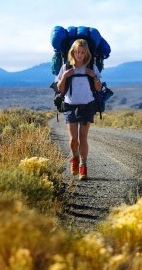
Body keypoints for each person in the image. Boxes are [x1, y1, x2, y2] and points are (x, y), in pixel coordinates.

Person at [56, 38, 102, 180]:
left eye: (82, 52)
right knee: (73, 140)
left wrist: (93, 76)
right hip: (70, 105)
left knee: (83, 138)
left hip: (87, 105)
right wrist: (64, 76)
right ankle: (75, 158)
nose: (80, 55)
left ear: (86, 53)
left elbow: (98, 88)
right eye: (77, 52)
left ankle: (83, 166)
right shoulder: (66, 67)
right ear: (73, 52)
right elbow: (60, 88)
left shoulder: (92, 67)